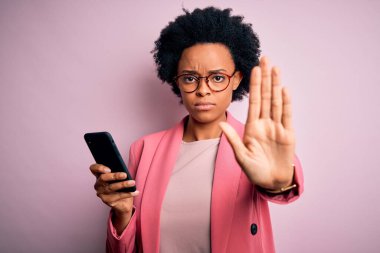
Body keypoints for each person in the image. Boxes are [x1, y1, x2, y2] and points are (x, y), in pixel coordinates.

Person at [89, 6, 304, 253]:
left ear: (236, 79)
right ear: (176, 80)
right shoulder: (144, 149)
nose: (203, 90)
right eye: (190, 78)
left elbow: (284, 182)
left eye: (217, 77)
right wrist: (122, 213)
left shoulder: (253, 144)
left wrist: (280, 182)